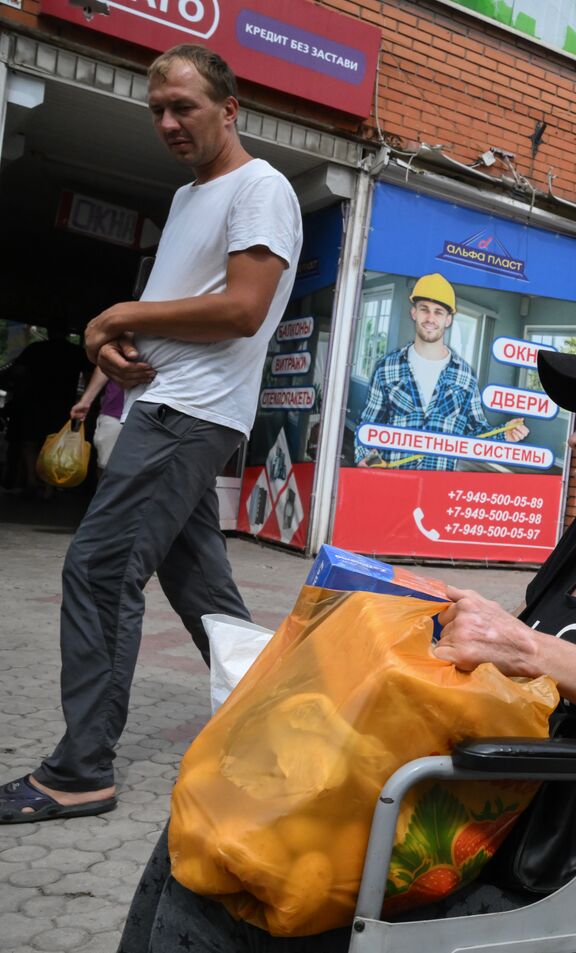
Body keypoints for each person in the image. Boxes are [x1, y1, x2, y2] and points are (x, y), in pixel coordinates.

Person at [117, 336, 576, 951]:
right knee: (215, 818)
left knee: (239, 880)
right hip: (490, 812)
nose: (575, 434)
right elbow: (508, 651)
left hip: (574, 860)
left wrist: (531, 651)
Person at [0, 43, 303, 824]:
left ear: (230, 109)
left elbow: (242, 308)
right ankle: (276, 723)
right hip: (162, 403)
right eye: (157, 111)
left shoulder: (260, 187)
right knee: (198, 584)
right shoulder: (187, 197)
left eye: (185, 108)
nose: (168, 123)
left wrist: (122, 315)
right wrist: (110, 350)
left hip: (189, 415)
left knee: (100, 572)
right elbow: (178, 306)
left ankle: (81, 770)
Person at [355, 273, 529, 469]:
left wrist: (504, 433)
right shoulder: (387, 368)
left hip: (439, 490)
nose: (430, 318)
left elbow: (476, 432)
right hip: (393, 486)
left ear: (448, 319)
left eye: (438, 312)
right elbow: (368, 427)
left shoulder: (464, 376)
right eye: (424, 310)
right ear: (414, 313)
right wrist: (367, 460)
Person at [0, 322, 88, 495]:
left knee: (29, 441)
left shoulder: (35, 349)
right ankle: (49, 485)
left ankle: (32, 479)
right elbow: (89, 374)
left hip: (34, 400)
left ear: (48, 332)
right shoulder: (76, 352)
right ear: (67, 334)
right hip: (63, 403)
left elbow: (18, 371)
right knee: (54, 443)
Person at [69, 368, 125, 471]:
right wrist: (86, 401)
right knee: (106, 469)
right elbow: (105, 363)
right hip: (115, 412)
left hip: (157, 414)